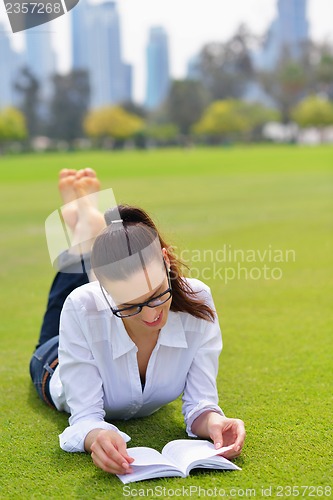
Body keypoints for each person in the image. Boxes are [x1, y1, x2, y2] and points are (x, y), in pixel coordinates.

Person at [30, 168, 246, 476]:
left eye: (158, 295)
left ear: (167, 260)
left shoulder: (199, 300)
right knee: (65, 293)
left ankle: (86, 223)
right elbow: (86, 416)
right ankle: (84, 231)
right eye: (130, 306)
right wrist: (95, 437)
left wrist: (215, 422)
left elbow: (201, 403)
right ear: (101, 287)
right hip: (53, 361)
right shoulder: (85, 303)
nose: (150, 315)